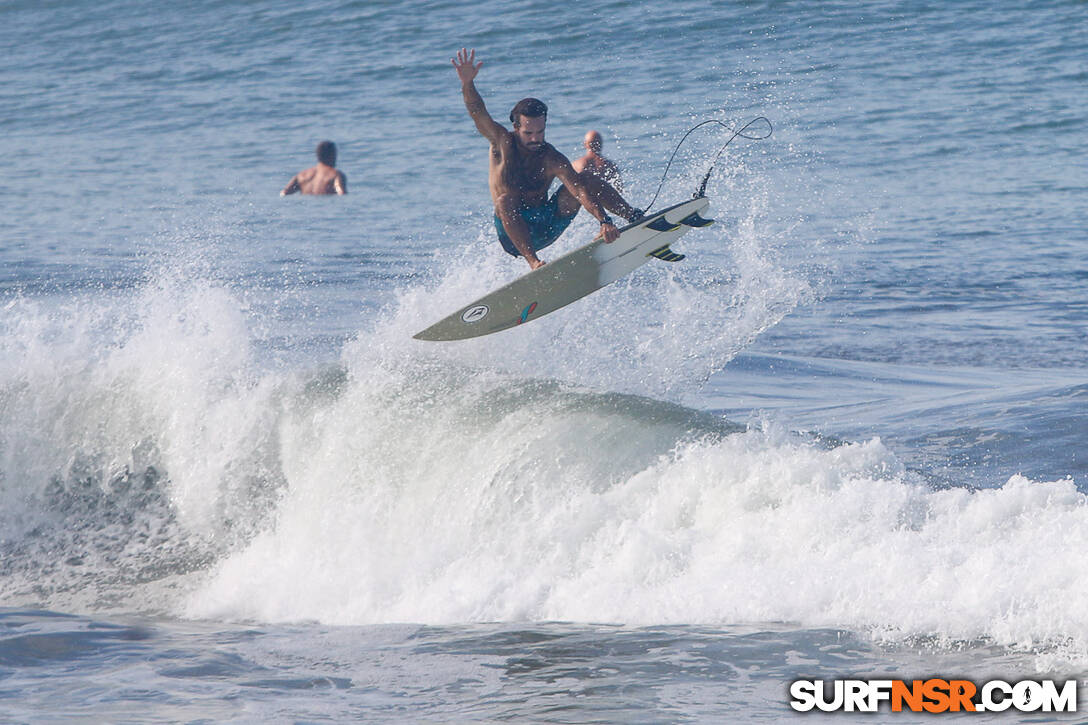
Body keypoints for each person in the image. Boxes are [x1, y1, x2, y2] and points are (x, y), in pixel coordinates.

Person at [451, 48, 641, 270]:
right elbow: (477, 111)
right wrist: (467, 83)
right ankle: (534, 263)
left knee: (585, 178)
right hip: (515, 235)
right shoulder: (501, 143)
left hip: (548, 224)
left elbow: (578, 190)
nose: (535, 138)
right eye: (528, 133)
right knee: (505, 201)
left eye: (540, 132)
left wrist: (604, 220)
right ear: (516, 127)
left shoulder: (551, 157)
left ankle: (634, 217)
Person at [280, 141, 347, 196]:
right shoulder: (336, 175)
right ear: (332, 155)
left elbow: (284, 193)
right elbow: (342, 194)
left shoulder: (301, 175)